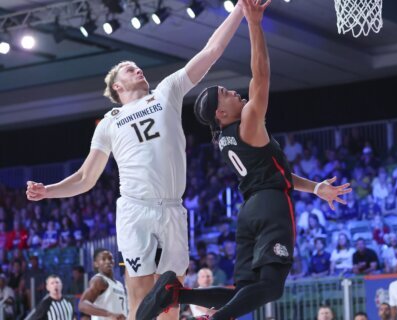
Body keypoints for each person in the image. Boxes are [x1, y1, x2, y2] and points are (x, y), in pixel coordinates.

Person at [25, 1, 246, 318]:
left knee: (172, 297)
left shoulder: (167, 90)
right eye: (129, 69)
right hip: (136, 208)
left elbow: (211, 52)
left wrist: (239, 8)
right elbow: (86, 178)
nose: (137, 68)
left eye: (136, 67)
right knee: (140, 298)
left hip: (172, 207)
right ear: (118, 85)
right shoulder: (110, 121)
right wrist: (49, 190)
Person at [135, 1, 351, 319]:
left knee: (244, 292)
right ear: (221, 113)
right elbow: (261, 76)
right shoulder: (247, 122)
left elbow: (276, 173)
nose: (234, 92)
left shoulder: (227, 139)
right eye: (225, 93)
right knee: (272, 287)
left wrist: (316, 188)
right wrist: (254, 24)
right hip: (271, 206)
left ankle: (177, 294)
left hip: (249, 211)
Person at [79, 248, 127, 320]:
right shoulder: (98, 280)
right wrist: (108, 314)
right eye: (103, 259)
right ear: (96, 264)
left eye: (110, 258)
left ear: (113, 262)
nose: (108, 261)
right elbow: (82, 305)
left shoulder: (119, 284)